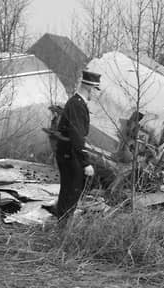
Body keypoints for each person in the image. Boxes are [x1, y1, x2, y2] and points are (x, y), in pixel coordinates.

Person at [44, 70, 101, 224]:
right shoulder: (77, 105)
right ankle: (64, 225)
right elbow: (76, 135)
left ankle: (62, 220)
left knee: (70, 189)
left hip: (68, 152)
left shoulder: (77, 103)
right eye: (96, 90)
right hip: (70, 154)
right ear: (90, 88)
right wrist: (86, 162)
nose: (96, 94)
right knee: (72, 190)